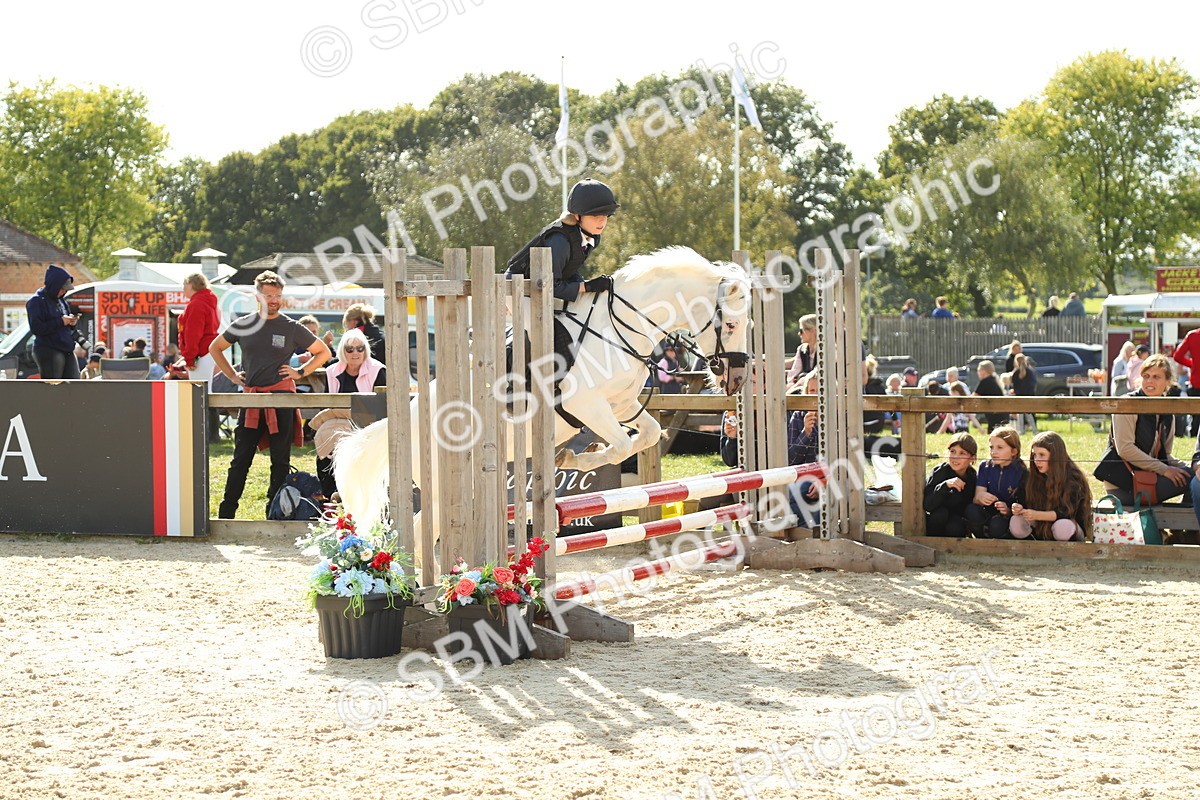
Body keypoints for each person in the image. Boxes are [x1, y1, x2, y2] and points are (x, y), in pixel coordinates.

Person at [210, 270, 332, 519]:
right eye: (268, 295)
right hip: (251, 398)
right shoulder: (244, 323)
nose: (274, 300)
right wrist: (233, 376)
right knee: (240, 459)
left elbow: (323, 352)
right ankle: (226, 514)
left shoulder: (291, 327)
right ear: (258, 296)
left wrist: (300, 372)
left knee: (280, 460)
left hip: (281, 399)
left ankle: (275, 513)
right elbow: (215, 348)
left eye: (277, 295)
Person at [506, 178, 619, 359]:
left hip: (543, 286)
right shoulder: (559, 240)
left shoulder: (591, 237)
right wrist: (587, 287)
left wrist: (585, 285)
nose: (601, 221)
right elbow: (551, 285)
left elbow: (567, 270)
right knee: (540, 329)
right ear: (577, 216)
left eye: (605, 216)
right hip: (519, 288)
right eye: (594, 216)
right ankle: (518, 377)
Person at [1093, 354, 1192, 507]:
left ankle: (1185, 526)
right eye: (1146, 376)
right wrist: (1165, 470)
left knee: (1195, 473)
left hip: (1148, 477)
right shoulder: (1127, 404)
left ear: (1168, 382)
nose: (1149, 381)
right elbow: (1125, 449)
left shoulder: (1168, 413)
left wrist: (1188, 465)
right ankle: (1186, 528)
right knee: (1193, 477)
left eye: (1156, 377)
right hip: (1124, 484)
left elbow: (1165, 455)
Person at [310, 329, 388, 498]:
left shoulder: (378, 371)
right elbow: (326, 402)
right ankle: (330, 496)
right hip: (338, 421)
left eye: (360, 348)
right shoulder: (332, 371)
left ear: (365, 350)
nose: (355, 353)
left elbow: (383, 407)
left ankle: (356, 494)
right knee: (325, 442)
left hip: (369, 424)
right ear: (342, 351)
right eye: (350, 349)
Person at [1010, 431, 1092, 541]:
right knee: (1016, 522)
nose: (1037, 460)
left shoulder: (1073, 478)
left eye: (1042, 455)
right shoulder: (1030, 476)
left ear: (1055, 456)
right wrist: (1018, 507)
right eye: (1034, 455)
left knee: (1062, 527)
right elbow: (1021, 498)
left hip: (1067, 527)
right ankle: (1031, 551)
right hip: (1039, 526)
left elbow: (1066, 512)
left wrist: (1037, 515)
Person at [965, 426, 1027, 538]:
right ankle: (981, 540)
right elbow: (976, 498)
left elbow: (1022, 505)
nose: (993, 452)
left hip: (1007, 516)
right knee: (971, 510)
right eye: (991, 447)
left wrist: (1007, 510)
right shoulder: (985, 466)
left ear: (1013, 451)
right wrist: (981, 497)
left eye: (1000, 447)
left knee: (997, 526)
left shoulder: (1022, 471)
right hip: (987, 512)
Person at [26, 265, 81, 379]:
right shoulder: (36, 301)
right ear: (53, 285)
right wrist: (61, 322)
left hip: (66, 347)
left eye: (65, 289)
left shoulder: (61, 301)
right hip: (48, 348)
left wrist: (71, 323)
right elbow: (37, 328)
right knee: (53, 388)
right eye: (61, 289)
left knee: (75, 385)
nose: (63, 292)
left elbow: (64, 324)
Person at [924, 433, 978, 537]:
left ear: (972, 458)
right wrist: (945, 485)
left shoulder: (972, 476)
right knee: (941, 514)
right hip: (937, 519)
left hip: (956, 520)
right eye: (953, 451)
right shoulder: (940, 472)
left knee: (955, 527)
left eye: (962, 453)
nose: (955, 457)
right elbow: (928, 505)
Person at [178, 272, 221, 386]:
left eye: (184, 285)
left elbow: (193, 333)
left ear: (191, 285)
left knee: (199, 392)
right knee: (205, 390)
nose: (183, 288)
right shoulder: (208, 301)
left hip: (200, 353)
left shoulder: (196, 304)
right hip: (208, 350)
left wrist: (190, 358)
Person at [1172, 327, 1200, 436]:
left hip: (1196, 382)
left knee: (1196, 418)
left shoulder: (1192, 335)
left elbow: (1178, 356)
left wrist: (1193, 364)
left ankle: (1195, 445)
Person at [973, 360, 1010, 431]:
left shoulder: (985, 382)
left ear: (984, 371)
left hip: (995, 415)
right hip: (1001, 413)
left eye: (978, 370)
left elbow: (974, 397)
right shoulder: (994, 379)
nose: (978, 372)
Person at [785, 314, 819, 389]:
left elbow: (817, 372)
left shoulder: (826, 349)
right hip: (803, 388)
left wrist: (796, 385)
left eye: (801, 330)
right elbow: (794, 372)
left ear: (812, 330)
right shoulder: (802, 349)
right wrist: (791, 384)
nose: (799, 334)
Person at [1010, 352, 1039, 433]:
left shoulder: (1015, 373)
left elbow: (1014, 385)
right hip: (1029, 396)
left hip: (1019, 396)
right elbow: (1033, 384)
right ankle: (1034, 430)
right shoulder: (1030, 371)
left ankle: (1021, 430)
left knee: (1020, 415)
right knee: (1029, 414)